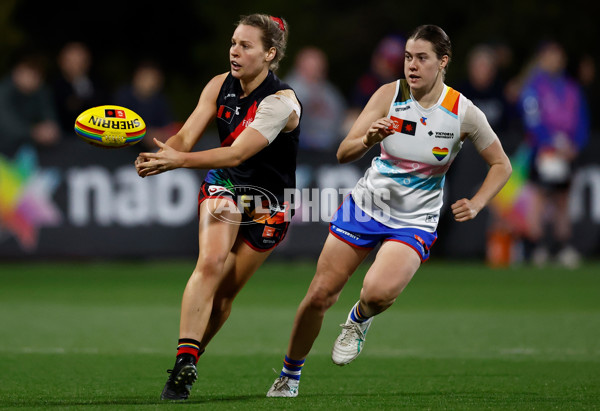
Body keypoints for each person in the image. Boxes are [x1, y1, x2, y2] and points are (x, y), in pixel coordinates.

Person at [266, 24, 512, 398]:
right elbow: (343, 152)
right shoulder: (389, 94)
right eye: (408, 57)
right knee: (320, 295)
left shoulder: (463, 111)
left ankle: (359, 320)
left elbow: (502, 165)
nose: (411, 66)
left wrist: (477, 203)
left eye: (422, 58)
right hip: (368, 206)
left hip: (416, 219)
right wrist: (369, 138)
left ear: (443, 62)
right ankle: (289, 374)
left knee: (377, 293)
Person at [135, 14, 301, 400]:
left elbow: (237, 151)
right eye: (233, 42)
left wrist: (178, 162)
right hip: (225, 187)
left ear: (269, 53)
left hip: (269, 204)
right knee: (210, 263)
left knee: (224, 297)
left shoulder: (282, 102)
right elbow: (187, 135)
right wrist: (164, 154)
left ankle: (193, 356)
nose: (234, 50)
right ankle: (183, 363)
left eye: (246, 45)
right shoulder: (218, 85)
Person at [518, 41, 589, 268]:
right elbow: (532, 121)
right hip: (543, 151)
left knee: (562, 199)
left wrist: (574, 145)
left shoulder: (570, 88)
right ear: (541, 59)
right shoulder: (533, 87)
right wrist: (550, 143)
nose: (554, 61)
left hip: (567, 151)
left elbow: (581, 121)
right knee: (538, 197)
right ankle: (536, 247)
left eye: (557, 56)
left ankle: (563, 246)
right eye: (549, 56)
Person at [284, 46, 346, 151]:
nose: (316, 72)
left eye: (319, 68)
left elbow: (340, 114)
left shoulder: (328, 91)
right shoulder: (287, 90)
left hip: (329, 146)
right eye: (311, 67)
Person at [0, 53, 60, 154]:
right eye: (27, 74)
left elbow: (48, 113)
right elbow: (6, 123)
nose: (30, 79)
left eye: (35, 76)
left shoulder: (42, 91)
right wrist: (33, 132)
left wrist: (51, 128)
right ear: (16, 72)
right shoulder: (4, 91)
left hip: (31, 146)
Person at [114, 60, 175, 148]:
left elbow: (168, 127)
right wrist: (144, 135)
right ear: (136, 77)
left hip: (153, 150)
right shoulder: (123, 97)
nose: (150, 82)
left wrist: (162, 135)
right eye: (146, 77)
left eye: (154, 78)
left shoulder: (160, 100)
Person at [52, 42, 105, 135]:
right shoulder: (54, 87)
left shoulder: (98, 84)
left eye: (80, 61)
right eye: (71, 61)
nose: (76, 65)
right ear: (62, 62)